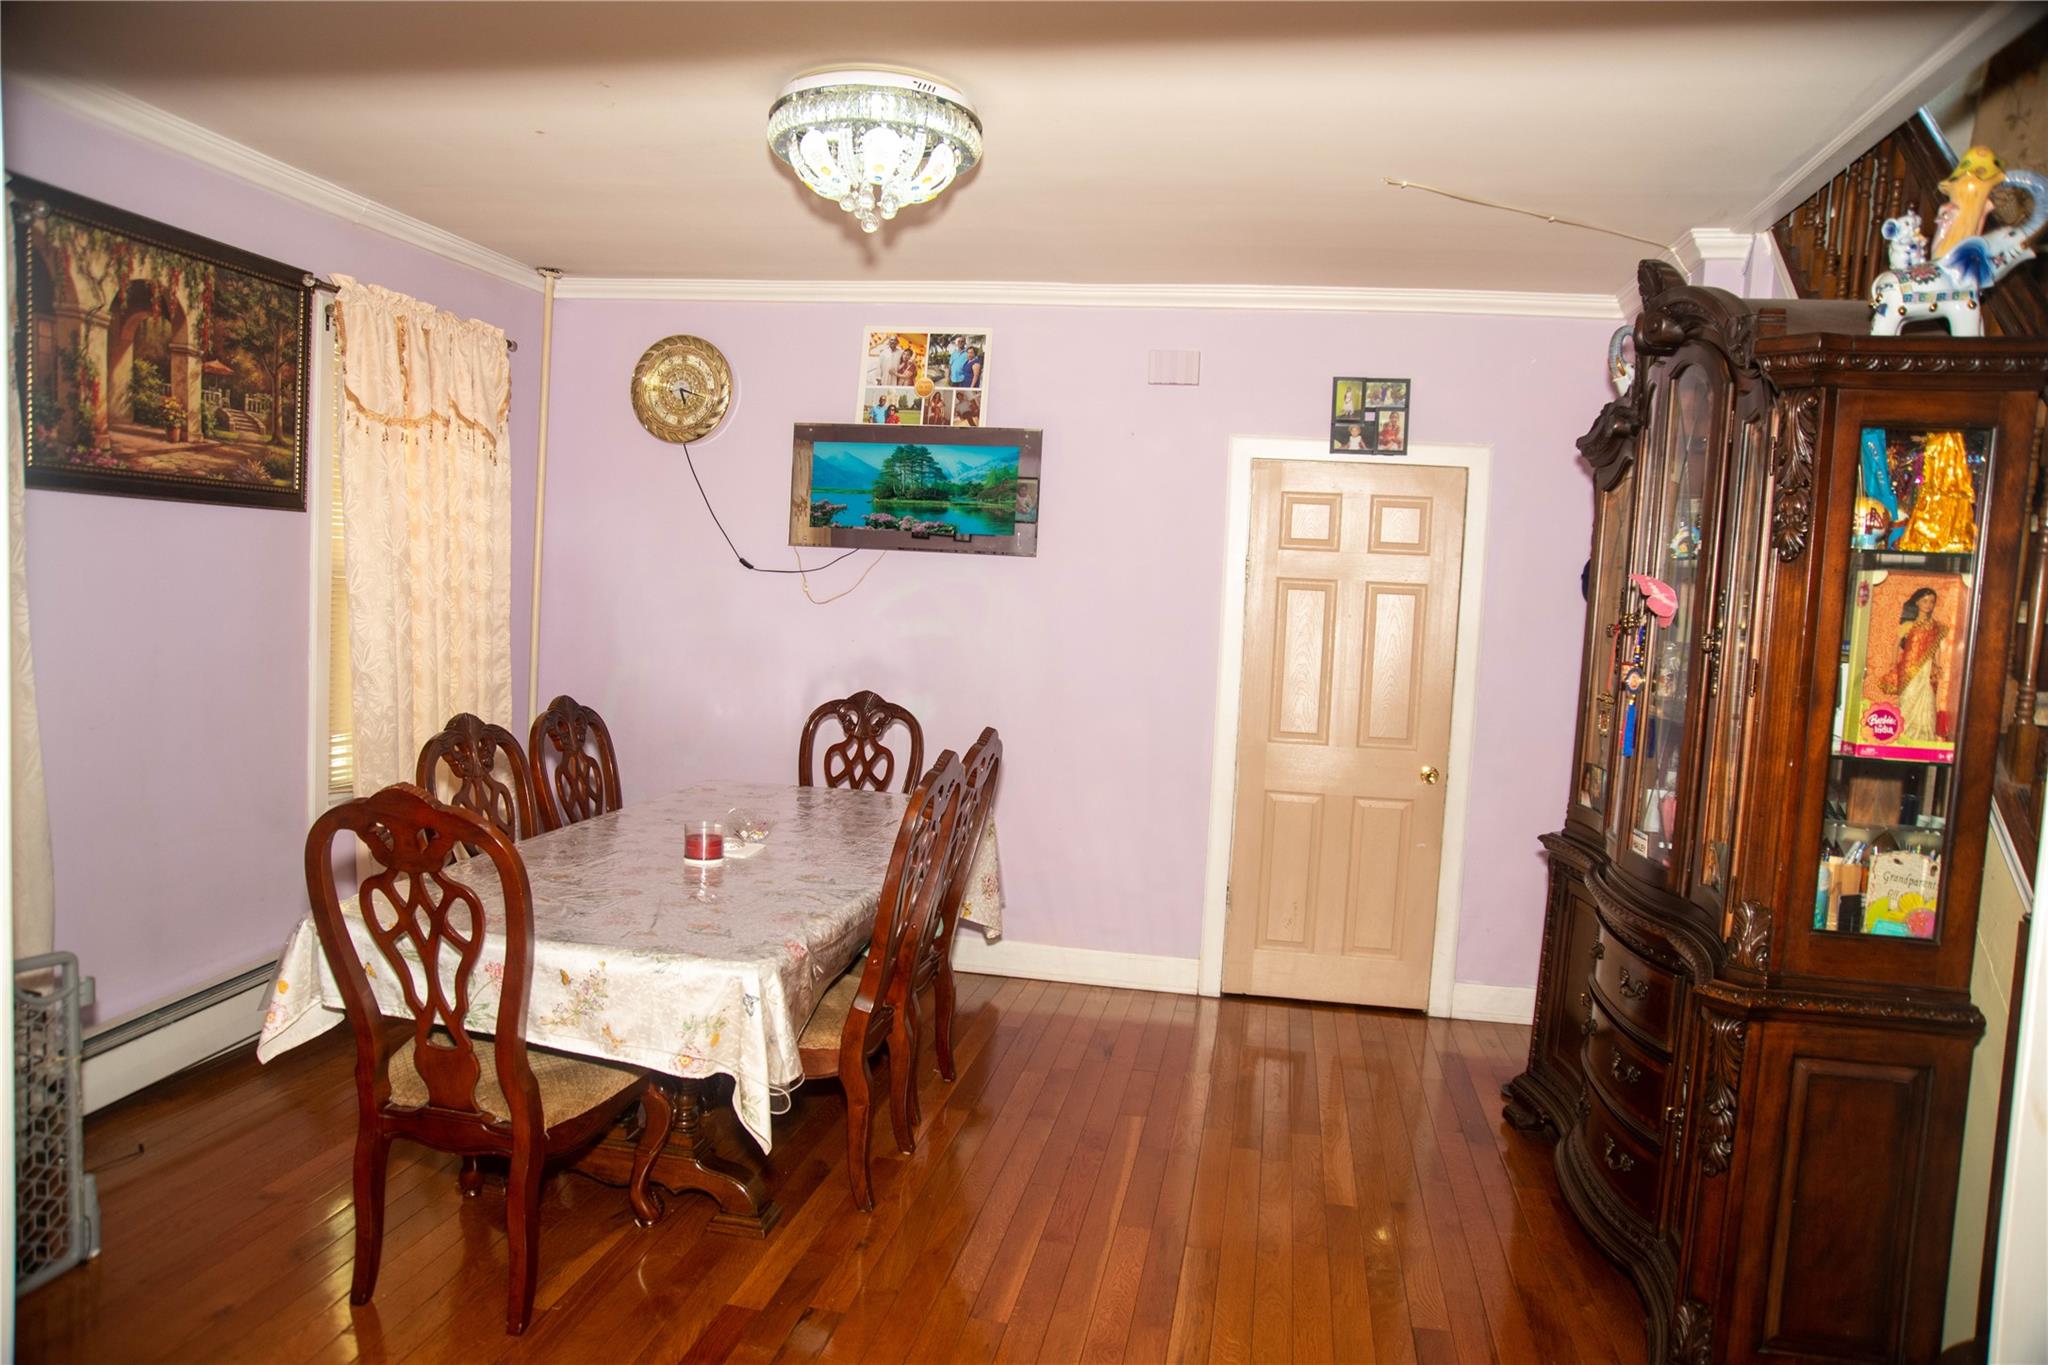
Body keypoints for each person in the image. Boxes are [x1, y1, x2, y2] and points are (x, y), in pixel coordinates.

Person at [1884, 586, 1948, 741]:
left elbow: (1937, 648)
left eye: (1931, 601)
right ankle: (1904, 734)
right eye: (1924, 601)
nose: (1928, 604)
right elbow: (1896, 645)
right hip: (1908, 668)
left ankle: (1923, 736)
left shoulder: (1936, 627)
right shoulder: (1908, 625)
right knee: (1908, 698)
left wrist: (1937, 665)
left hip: (1926, 669)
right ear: (1917, 603)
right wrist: (1893, 664)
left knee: (1926, 699)